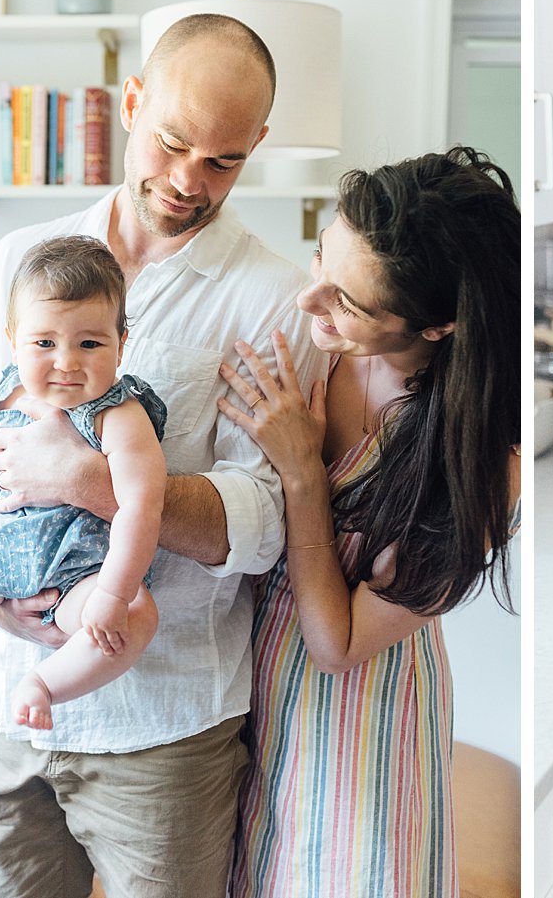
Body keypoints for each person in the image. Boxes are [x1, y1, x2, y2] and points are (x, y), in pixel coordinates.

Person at [0, 13, 325, 898]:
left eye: (223, 161)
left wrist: (92, 483)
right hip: (3, 702)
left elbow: (265, 523)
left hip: (163, 727)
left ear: (258, 146)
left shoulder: (273, 301)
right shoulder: (14, 264)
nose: (189, 181)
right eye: (173, 143)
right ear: (134, 102)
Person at [216, 148, 520, 898]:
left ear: (439, 325)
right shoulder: (316, 355)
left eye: (347, 300)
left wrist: (301, 475)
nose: (308, 298)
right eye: (319, 256)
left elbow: (338, 642)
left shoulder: (479, 464)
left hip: (362, 733)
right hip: (254, 697)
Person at [0, 236, 165, 732]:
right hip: (1, 542)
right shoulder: (9, 393)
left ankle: (45, 684)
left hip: (81, 569)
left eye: (90, 343)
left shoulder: (119, 416)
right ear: (13, 338)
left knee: (134, 613)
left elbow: (141, 507)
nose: (66, 362)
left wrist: (111, 591)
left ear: (121, 342)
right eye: (44, 343)